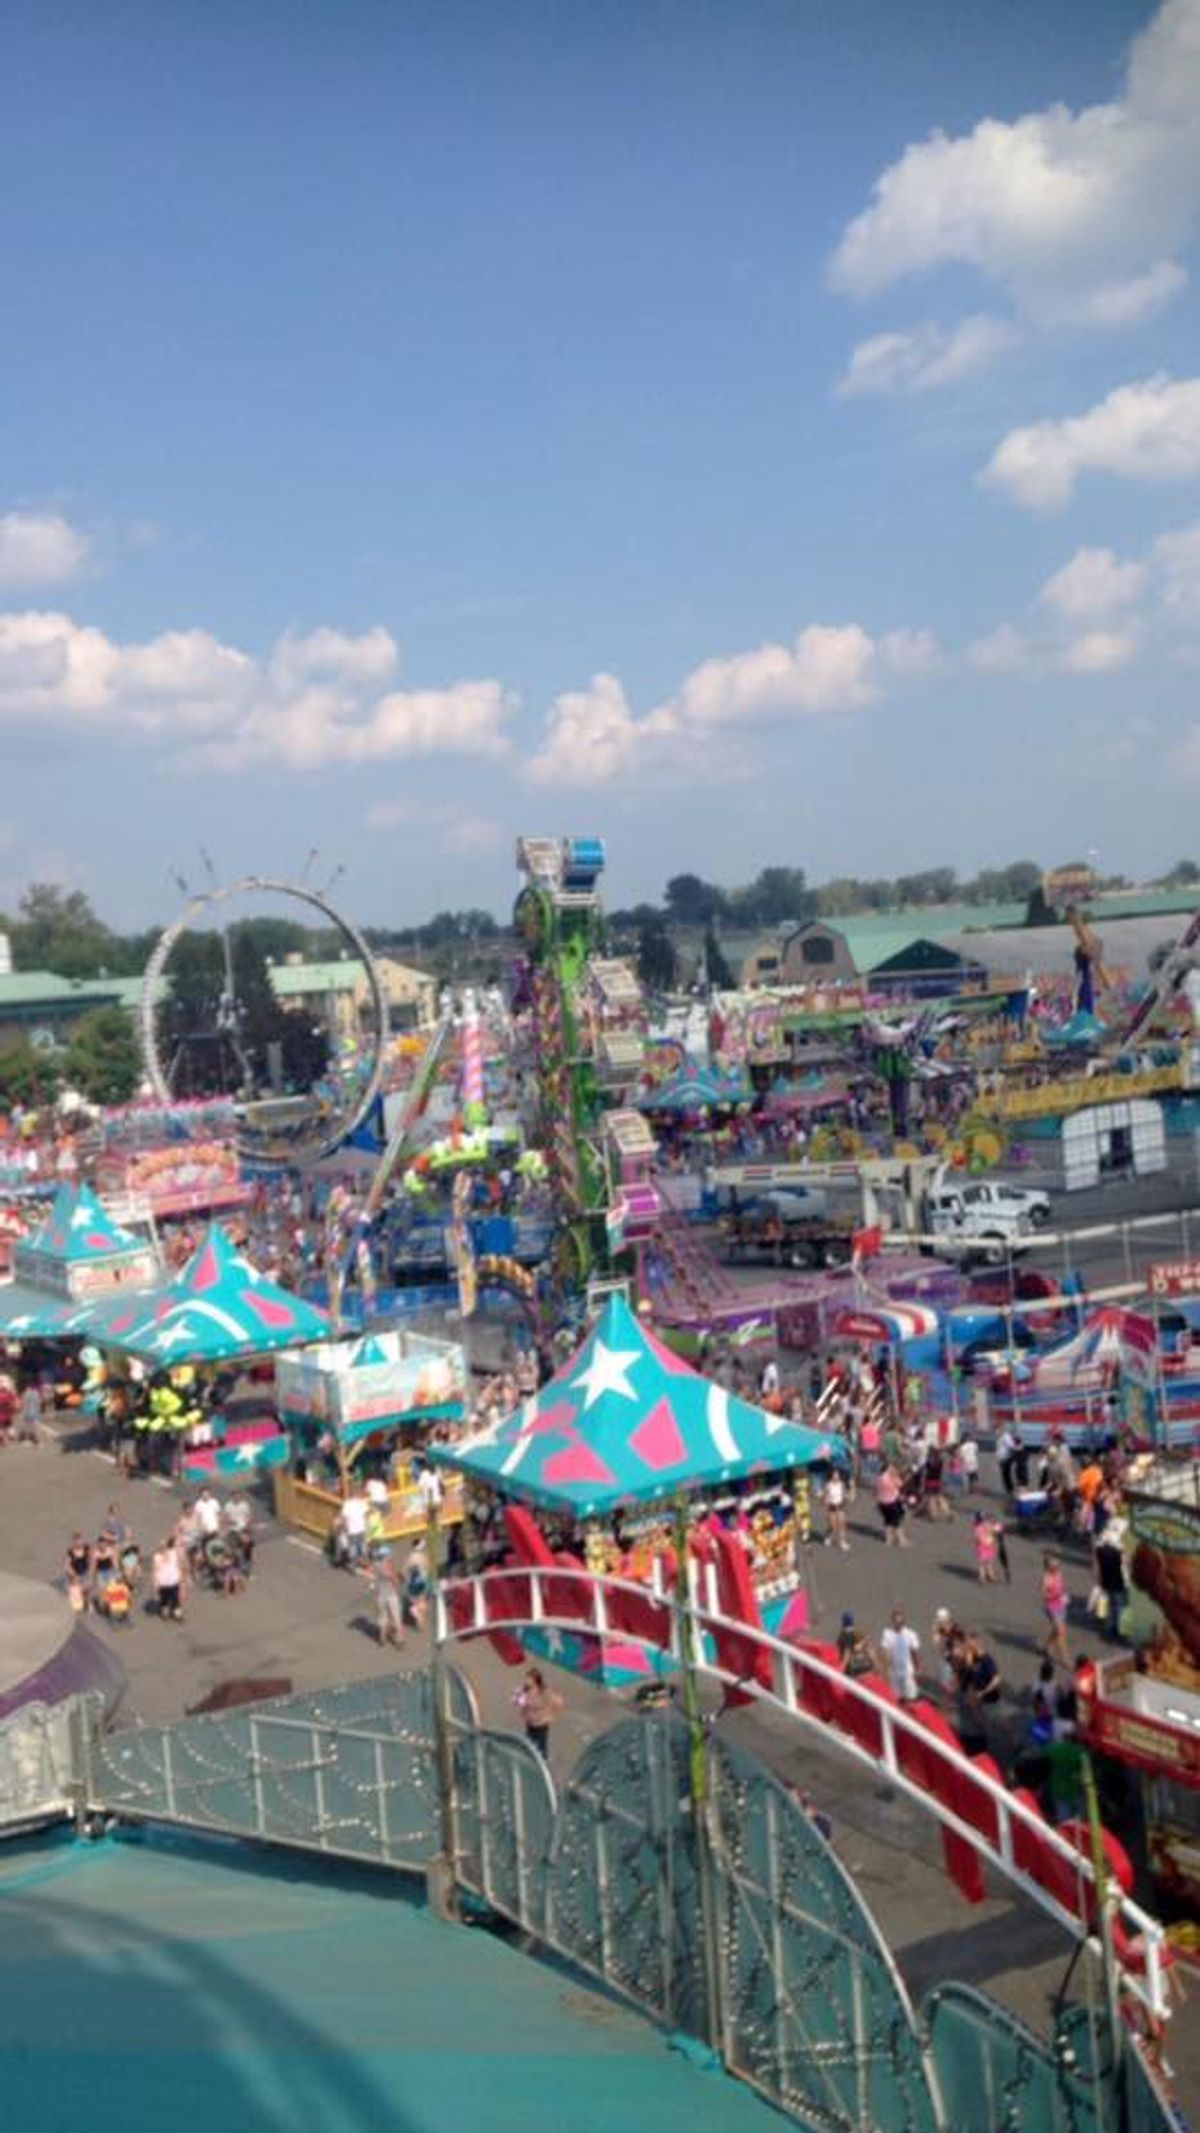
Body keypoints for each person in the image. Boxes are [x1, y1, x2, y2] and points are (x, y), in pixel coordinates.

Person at [515, 1666, 562, 1760]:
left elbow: (558, 1702)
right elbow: (519, 1702)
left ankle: (543, 1761)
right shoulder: (525, 1690)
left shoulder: (544, 1692)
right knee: (529, 1741)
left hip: (541, 1724)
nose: (526, 1681)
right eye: (526, 1678)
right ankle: (531, 1757)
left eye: (528, 1679)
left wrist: (551, 1715)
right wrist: (518, 1702)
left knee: (541, 1744)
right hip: (530, 1722)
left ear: (535, 1680)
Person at [880, 1607, 921, 1704]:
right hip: (894, 1674)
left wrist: (918, 1669)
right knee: (897, 1700)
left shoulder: (911, 1634)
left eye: (900, 1621)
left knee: (911, 1698)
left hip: (908, 1672)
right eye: (896, 1621)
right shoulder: (887, 1634)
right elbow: (886, 1654)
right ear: (892, 1621)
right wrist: (885, 1672)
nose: (898, 1623)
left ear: (904, 1621)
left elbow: (915, 1653)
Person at [1041, 1553, 1071, 1667]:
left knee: (1056, 1630)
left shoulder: (1058, 1574)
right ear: (1047, 1567)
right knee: (1061, 1633)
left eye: (1058, 1565)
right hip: (1052, 1608)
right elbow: (1044, 1596)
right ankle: (1065, 1659)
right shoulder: (1046, 1578)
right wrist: (1056, 1596)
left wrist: (1063, 1595)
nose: (1057, 1568)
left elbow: (1061, 1588)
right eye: (1054, 1566)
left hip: (1061, 1605)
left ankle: (1046, 1647)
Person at [370, 1552, 405, 1648]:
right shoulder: (386, 1567)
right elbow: (395, 1580)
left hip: (380, 1596)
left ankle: (382, 1639)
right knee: (396, 1617)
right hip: (391, 1595)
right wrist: (399, 1578)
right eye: (388, 1557)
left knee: (382, 1618)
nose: (390, 1559)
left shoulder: (375, 1566)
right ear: (384, 1558)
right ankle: (399, 1640)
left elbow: (373, 1582)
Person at [875, 1463, 909, 1549]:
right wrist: (897, 1476)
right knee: (896, 1522)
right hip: (891, 1501)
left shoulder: (879, 1478)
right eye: (892, 1467)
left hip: (882, 1502)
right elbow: (900, 1485)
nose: (893, 1469)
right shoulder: (891, 1477)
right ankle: (901, 1540)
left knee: (888, 1521)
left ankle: (888, 1539)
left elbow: (876, 1490)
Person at [836, 1611, 876, 1676]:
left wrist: (841, 1667)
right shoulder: (850, 1634)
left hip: (849, 1667)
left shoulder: (844, 1635)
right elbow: (851, 1650)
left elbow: (849, 1650)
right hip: (851, 1667)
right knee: (871, 1665)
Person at [152, 1538, 183, 1622]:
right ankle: (165, 1613)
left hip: (174, 1581)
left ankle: (177, 1614)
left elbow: (178, 1567)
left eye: (164, 1546)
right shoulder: (156, 1557)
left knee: (176, 1598)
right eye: (161, 1546)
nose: (163, 1548)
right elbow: (155, 1571)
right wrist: (155, 1582)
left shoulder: (173, 1553)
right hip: (163, 1583)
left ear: (167, 1547)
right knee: (164, 1599)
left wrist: (181, 1580)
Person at [823, 1466, 850, 1552]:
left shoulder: (841, 1484)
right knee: (833, 1526)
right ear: (831, 1475)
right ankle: (828, 1536)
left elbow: (844, 1494)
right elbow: (825, 1497)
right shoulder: (828, 1485)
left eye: (837, 1475)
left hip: (840, 1506)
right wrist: (826, 1505)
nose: (836, 1476)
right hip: (832, 1507)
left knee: (842, 1525)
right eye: (834, 1475)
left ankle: (842, 1542)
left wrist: (847, 1496)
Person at [972, 1510, 999, 1584]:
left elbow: (996, 1530)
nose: (985, 1521)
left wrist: (995, 1528)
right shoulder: (978, 1528)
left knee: (989, 1562)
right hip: (983, 1547)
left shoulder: (986, 1526)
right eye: (984, 1519)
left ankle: (990, 1576)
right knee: (983, 1563)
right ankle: (982, 1577)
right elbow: (978, 1538)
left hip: (989, 1546)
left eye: (986, 1519)